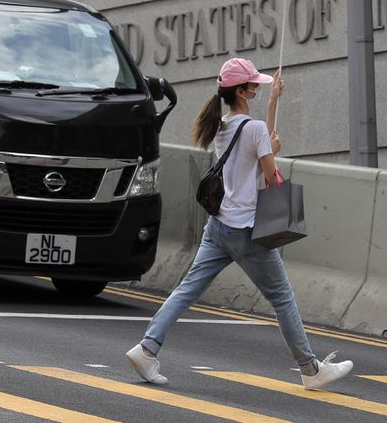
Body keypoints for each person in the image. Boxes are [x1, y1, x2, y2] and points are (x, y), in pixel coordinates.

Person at [126, 57, 353, 390]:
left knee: (186, 290)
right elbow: (270, 175)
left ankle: (146, 348)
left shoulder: (220, 126)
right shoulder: (254, 129)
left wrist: (274, 102)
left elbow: (258, 142)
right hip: (247, 230)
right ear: (244, 91)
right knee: (283, 298)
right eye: (254, 85)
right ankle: (310, 369)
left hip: (217, 228)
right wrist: (274, 157)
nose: (257, 88)